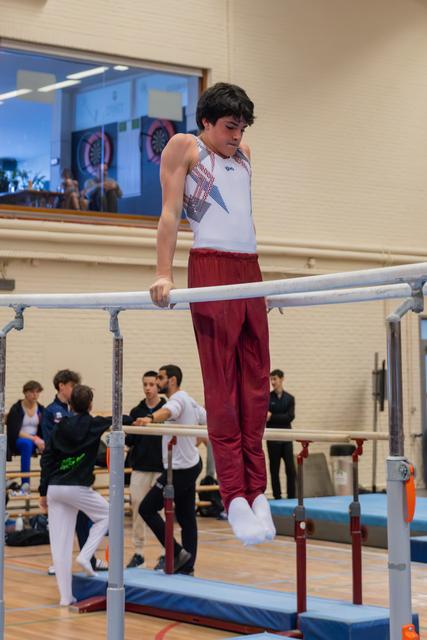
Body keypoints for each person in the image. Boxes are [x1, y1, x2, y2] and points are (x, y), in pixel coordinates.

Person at [149, 83, 274, 545]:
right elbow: (168, 213)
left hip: (250, 269)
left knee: (256, 385)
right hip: (211, 266)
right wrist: (164, 273)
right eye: (228, 127)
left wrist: (264, 288)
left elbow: (245, 219)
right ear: (206, 122)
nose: (236, 136)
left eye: (241, 128)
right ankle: (234, 496)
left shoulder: (245, 157)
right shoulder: (186, 147)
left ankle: (257, 491)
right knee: (223, 386)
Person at [39, 385, 115, 606]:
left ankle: (65, 597)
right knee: (107, 513)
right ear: (90, 405)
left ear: (70, 405)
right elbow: (119, 418)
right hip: (77, 487)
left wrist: (43, 491)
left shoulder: (60, 426)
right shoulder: (94, 424)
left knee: (60, 544)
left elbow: (48, 458)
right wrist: (144, 418)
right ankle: (85, 554)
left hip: (55, 487)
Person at [137, 365, 204, 574]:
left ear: (172, 380)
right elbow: (207, 418)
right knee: (186, 518)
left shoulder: (178, 400)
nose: (157, 382)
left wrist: (150, 418)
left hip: (180, 470)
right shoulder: (190, 400)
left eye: (160, 378)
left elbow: (169, 411)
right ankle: (187, 566)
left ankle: (176, 552)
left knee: (146, 508)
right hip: (189, 465)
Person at [42, 369, 107, 575]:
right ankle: (64, 560)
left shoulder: (70, 417)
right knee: (64, 525)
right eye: (71, 385)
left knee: (82, 520)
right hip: (66, 475)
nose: (73, 389)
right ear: (62, 386)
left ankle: (88, 557)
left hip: (70, 477)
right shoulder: (51, 412)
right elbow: (49, 448)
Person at [125, 370, 165, 568]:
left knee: (163, 511)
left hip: (162, 468)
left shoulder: (166, 409)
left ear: (158, 385)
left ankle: (166, 552)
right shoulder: (136, 411)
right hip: (140, 468)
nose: (148, 388)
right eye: (145, 385)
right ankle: (139, 552)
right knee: (137, 509)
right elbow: (129, 441)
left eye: (151, 384)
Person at [6, 380, 45, 491]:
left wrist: (43, 441)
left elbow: (44, 428)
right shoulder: (17, 408)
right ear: (25, 393)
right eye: (32, 392)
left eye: (37, 392)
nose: (35, 395)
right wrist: (34, 438)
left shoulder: (41, 409)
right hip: (19, 440)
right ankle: (25, 485)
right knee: (26, 444)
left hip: (35, 441)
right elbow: (14, 430)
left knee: (51, 446)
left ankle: (47, 485)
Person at [266, 369, 296, 500]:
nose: (272, 382)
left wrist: (272, 416)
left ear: (282, 379)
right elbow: (264, 417)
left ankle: (291, 496)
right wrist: (276, 417)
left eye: (275, 379)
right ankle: (277, 496)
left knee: (290, 469)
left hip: (286, 438)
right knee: (274, 469)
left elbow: (289, 417)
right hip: (272, 438)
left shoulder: (289, 398)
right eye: (271, 379)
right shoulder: (267, 397)